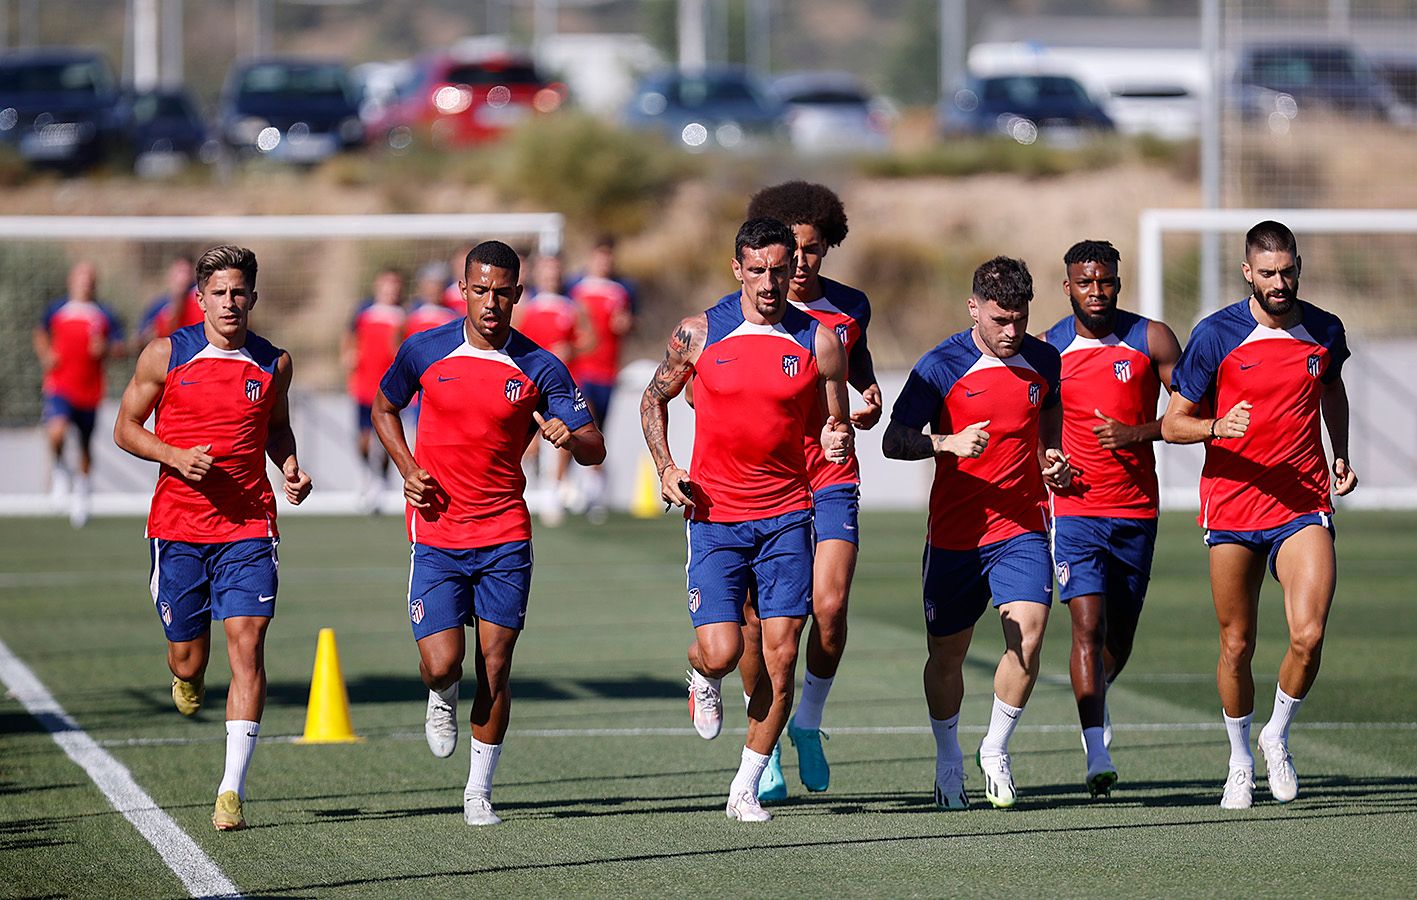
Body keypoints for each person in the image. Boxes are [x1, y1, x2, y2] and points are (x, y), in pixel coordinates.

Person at [372, 240, 605, 827]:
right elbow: (383, 408)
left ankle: (479, 791)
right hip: (437, 530)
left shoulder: (541, 366)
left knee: (495, 665)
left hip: (504, 533)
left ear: (518, 294)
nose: (492, 302)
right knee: (442, 664)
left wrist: (568, 437)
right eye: (481, 290)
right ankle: (439, 692)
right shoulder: (424, 349)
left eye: (503, 292)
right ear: (464, 290)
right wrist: (408, 470)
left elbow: (595, 448)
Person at [639, 217, 853, 822]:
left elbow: (833, 414)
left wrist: (837, 436)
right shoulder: (698, 334)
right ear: (737, 269)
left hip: (788, 515)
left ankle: (745, 787)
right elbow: (653, 397)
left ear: (796, 270)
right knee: (724, 650)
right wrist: (665, 466)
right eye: (756, 270)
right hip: (714, 518)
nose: (768, 282)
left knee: (782, 656)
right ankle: (699, 674)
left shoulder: (819, 340)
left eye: (779, 270)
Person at [113, 245, 312, 832]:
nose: (230, 302)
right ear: (200, 298)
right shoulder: (164, 355)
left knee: (248, 647)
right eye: (219, 293)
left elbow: (276, 428)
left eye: (239, 292)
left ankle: (231, 789)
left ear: (253, 296)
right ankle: (186, 672)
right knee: (189, 655)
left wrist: (291, 467)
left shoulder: (274, 363)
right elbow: (125, 428)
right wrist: (173, 455)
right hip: (177, 528)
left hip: (249, 526)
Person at [1161, 220, 1356, 810]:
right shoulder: (1216, 334)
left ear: (1299, 265)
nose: (1280, 282)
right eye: (1268, 273)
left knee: (1309, 634)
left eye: (1288, 270)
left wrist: (1341, 451)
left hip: (1303, 502)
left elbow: (1332, 390)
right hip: (1233, 507)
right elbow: (1172, 424)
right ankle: (1240, 757)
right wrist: (1217, 427)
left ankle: (1277, 734)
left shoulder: (1324, 329)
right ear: (1248, 272)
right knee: (1237, 643)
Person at [883, 255, 1070, 811]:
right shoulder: (940, 366)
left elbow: (1050, 411)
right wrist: (946, 443)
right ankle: (948, 759)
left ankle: (996, 748)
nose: (1011, 332)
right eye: (999, 321)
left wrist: (1051, 456)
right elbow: (894, 440)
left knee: (1030, 633)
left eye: (1019, 319)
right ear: (974, 310)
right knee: (947, 657)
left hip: (1022, 526)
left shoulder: (1044, 359)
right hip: (955, 535)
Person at [734, 181, 883, 801]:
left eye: (812, 250)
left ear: (828, 248)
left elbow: (859, 383)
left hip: (830, 475)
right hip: (763, 481)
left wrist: (866, 408)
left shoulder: (850, 309)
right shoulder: (734, 313)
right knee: (755, 625)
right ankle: (759, 745)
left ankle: (809, 722)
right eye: (788, 250)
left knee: (830, 606)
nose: (797, 264)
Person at [1042, 239, 1182, 798]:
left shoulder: (1152, 339)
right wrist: (1047, 466)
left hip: (1137, 510)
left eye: (1106, 282)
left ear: (1118, 282)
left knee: (1118, 638)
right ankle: (1095, 747)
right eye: (1085, 282)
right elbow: (1029, 423)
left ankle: (1095, 700)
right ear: (1068, 285)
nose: (1096, 292)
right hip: (1074, 512)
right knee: (1086, 626)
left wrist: (1137, 433)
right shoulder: (1048, 347)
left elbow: (1191, 411)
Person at [33, 261, 124, 528]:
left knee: (85, 445)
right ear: (71, 281)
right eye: (80, 277)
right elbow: (40, 332)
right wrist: (46, 354)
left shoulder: (104, 314)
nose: (84, 283)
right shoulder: (57, 309)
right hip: (59, 385)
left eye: (89, 278)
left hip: (89, 389)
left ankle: (82, 492)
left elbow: (119, 348)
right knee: (56, 432)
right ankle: (60, 468)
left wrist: (105, 348)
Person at [514, 254, 593, 525]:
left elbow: (590, 339)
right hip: (528, 382)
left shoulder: (572, 306)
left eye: (556, 271)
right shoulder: (526, 306)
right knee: (530, 443)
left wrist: (572, 348)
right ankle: (535, 487)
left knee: (564, 435)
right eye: (547, 271)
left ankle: (554, 489)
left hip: (560, 383)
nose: (551, 276)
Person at [567, 235, 638, 523]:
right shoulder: (576, 286)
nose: (604, 261)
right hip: (581, 370)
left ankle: (594, 491)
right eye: (600, 255)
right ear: (592, 256)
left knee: (599, 431)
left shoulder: (623, 289)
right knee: (585, 424)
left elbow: (630, 320)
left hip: (609, 371)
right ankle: (571, 487)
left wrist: (627, 323)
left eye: (609, 256)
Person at [342, 268, 406, 513]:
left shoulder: (403, 315)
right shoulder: (364, 312)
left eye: (395, 285)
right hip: (364, 384)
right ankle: (368, 476)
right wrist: (348, 355)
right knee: (364, 440)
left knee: (388, 437)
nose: (391, 290)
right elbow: (350, 337)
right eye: (387, 285)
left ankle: (382, 483)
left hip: (388, 385)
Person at [138, 256, 203, 343]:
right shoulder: (160, 306)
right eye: (179, 272)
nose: (183, 278)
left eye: (187, 273)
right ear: (170, 274)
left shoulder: (198, 303)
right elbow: (142, 337)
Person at [406, 262, 460, 337]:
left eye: (437, 287)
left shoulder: (452, 317)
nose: (433, 292)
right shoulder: (412, 316)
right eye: (430, 287)